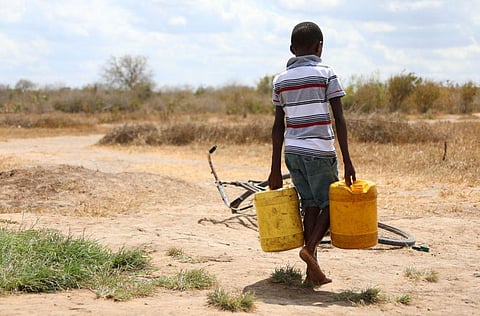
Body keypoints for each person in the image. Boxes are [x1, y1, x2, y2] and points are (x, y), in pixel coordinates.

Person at [268, 21, 356, 286]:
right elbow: (339, 119)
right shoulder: (326, 73)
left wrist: (274, 169)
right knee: (332, 203)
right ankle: (310, 248)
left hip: (292, 152)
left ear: (292, 49)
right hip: (319, 151)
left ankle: (311, 272)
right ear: (320, 47)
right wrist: (348, 161)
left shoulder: (280, 81)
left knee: (311, 205)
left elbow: (277, 127)